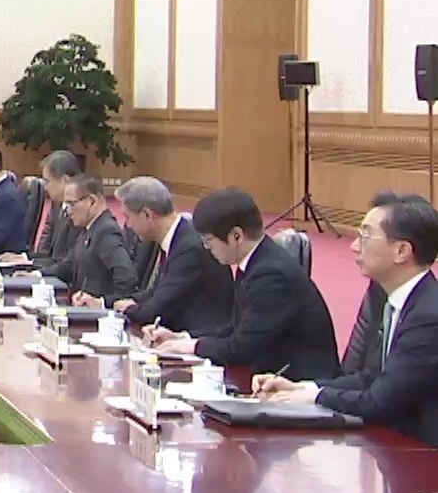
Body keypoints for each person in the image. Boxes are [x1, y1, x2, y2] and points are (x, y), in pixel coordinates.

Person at [255, 193, 438, 447]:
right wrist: (303, 388)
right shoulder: (393, 299)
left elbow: (379, 402)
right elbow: (369, 378)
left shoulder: (428, 317)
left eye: (365, 236)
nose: (353, 246)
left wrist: (316, 397)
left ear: (401, 251)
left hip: (423, 454)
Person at [146, 187, 340, 381]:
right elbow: (236, 327)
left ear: (236, 236)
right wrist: (183, 337)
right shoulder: (255, 260)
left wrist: (192, 347)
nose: (206, 247)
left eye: (209, 240)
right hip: (270, 373)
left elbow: (241, 348)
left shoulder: (271, 275)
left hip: (298, 382)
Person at [109, 176, 233, 334]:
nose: (127, 225)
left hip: (200, 337)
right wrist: (107, 302)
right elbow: (154, 293)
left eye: (128, 217)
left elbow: (155, 309)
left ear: (147, 215)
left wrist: (128, 309)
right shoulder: (177, 236)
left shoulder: (189, 248)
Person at [41, 175, 137, 306]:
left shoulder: (106, 231)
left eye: (71, 204)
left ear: (92, 201)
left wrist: (103, 303)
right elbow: (68, 266)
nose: (68, 211)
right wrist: (36, 274)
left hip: (95, 313)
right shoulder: (89, 227)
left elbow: (127, 278)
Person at [30, 150, 83, 270]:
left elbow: (66, 261)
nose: (45, 187)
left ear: (65, 180)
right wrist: (24, 259)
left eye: (47, 181)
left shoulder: (80, 211)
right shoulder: (57, 205)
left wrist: (36, 271)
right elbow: (47, 252)